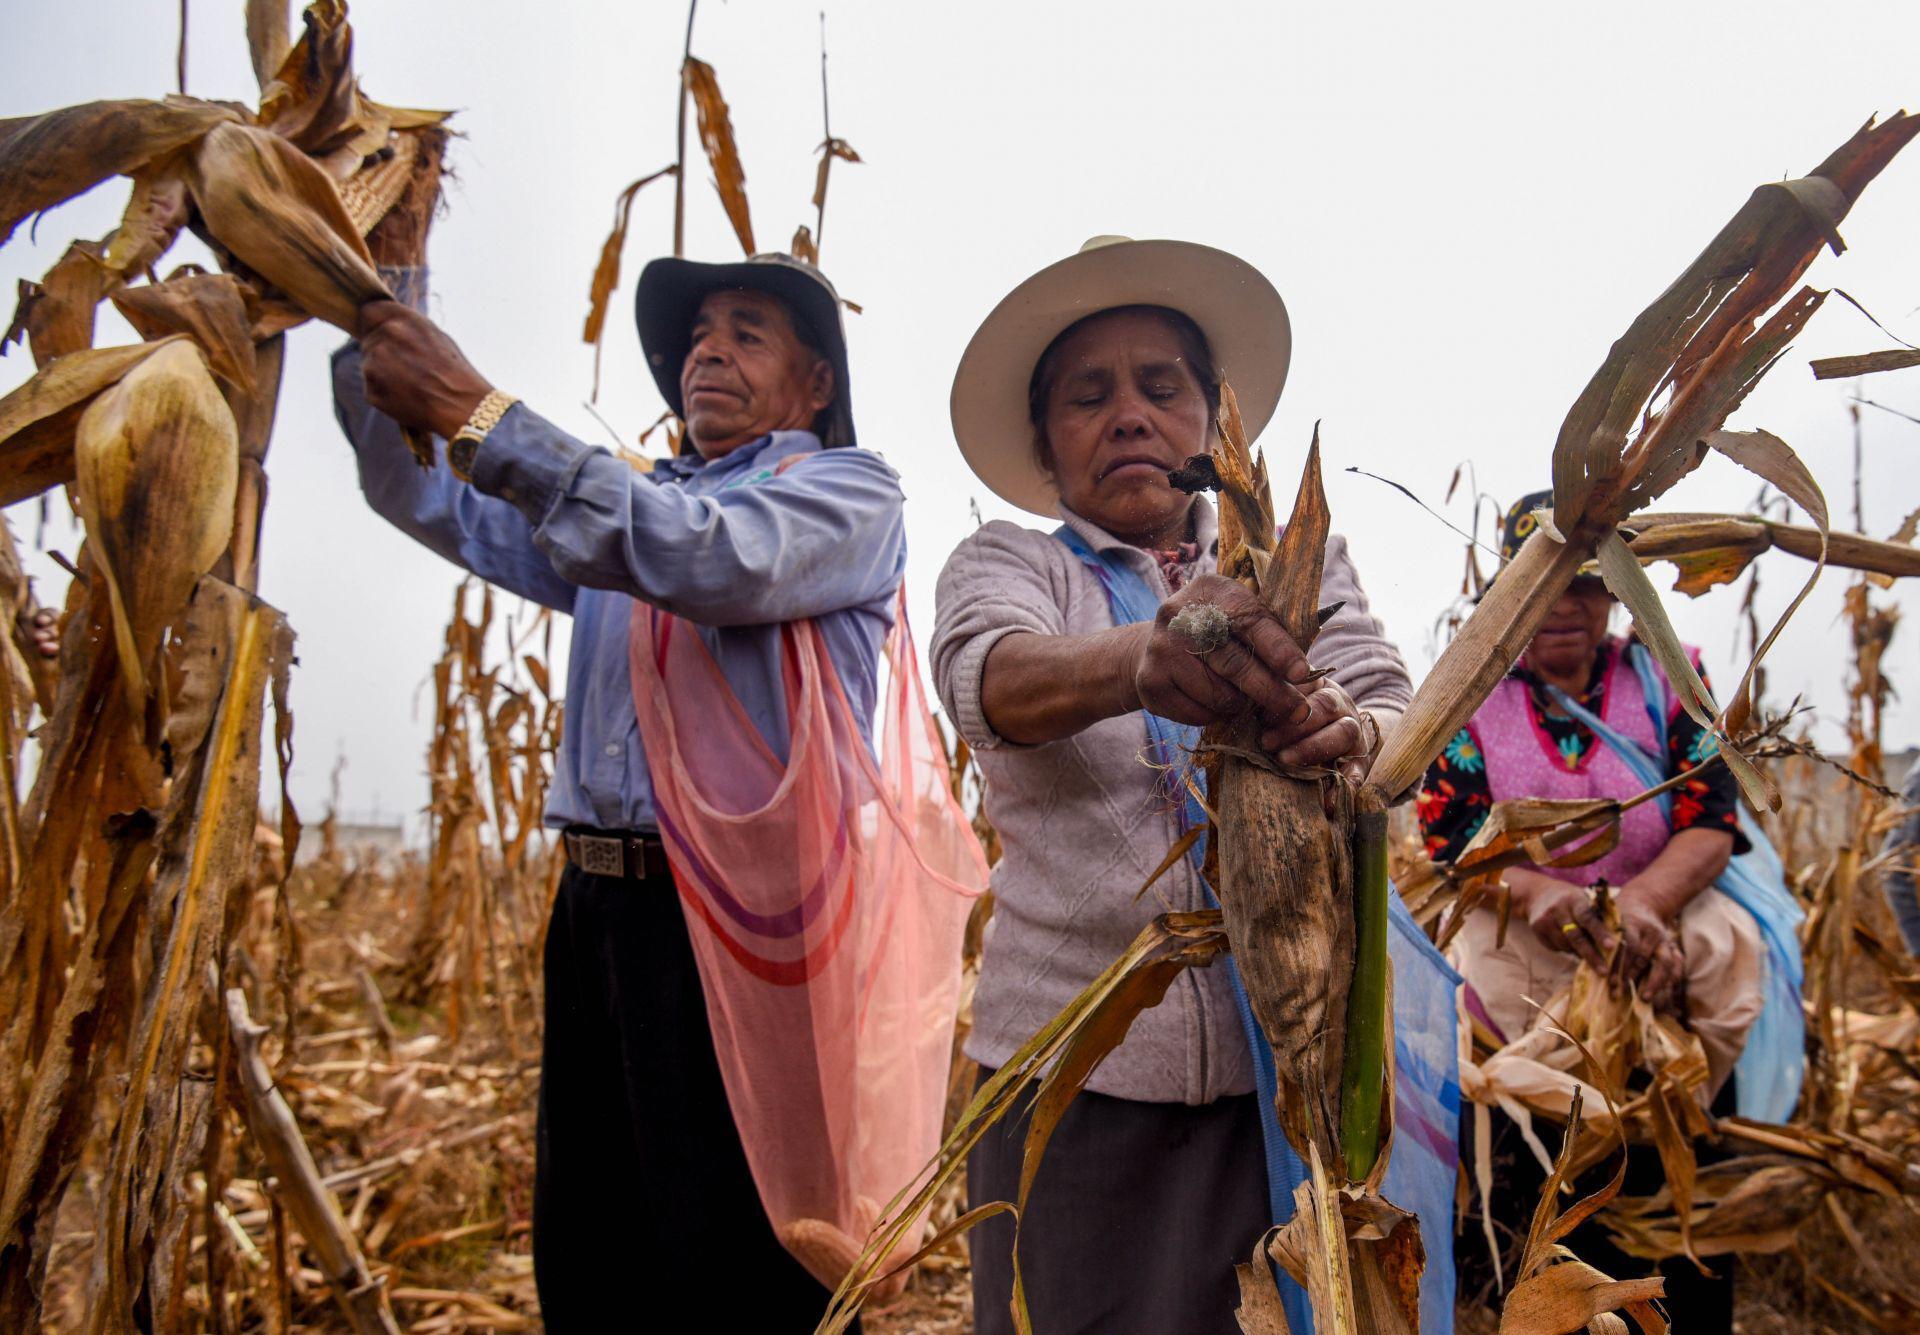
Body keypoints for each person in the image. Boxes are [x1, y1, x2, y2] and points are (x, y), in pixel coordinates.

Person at [333, 223, 981, 1328]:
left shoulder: (846, 499)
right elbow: (417, 484)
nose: (705, 353)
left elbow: (702, 554)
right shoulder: (608, 520)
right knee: (597, 1245)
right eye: (695, 335)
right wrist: (373, 288)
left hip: (741, 926)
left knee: (736, 1258)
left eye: (746, 332)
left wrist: (482, 414)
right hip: (597, 912)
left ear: (816, 379)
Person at [932, 236, 1425, 1333]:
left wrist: (1349, 732)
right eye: (1086, 396)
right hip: (1073, 1080)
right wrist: (1136, 659)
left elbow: (1390, 706)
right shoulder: (1011, 564)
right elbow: (990, 675)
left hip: (1288, 1074)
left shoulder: (1298, 561)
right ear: (1046, 444)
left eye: (1162, 387)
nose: (1128, 415)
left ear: (1212, 419)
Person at [1418, 489, 1798, 1331]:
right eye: (1544, 583)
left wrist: (1641, 906)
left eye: (1587, 584)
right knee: (1545, 1192)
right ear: (1509, 595)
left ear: (1619, 593)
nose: (1564, 604)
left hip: (1660, 959)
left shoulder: (1669, 677)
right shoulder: (1467, 695)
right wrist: (1542, 892)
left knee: (1674, 1180)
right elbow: (1449, 842)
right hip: (1529, 976)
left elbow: (1711, 818)